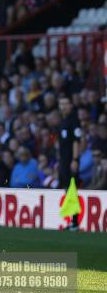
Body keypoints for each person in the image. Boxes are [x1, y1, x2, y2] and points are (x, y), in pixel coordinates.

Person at [58, 95, 82, 230]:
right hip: (64, 160)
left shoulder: (74, 121)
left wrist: (75, 159)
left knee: (72, 190)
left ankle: (75, 221)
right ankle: (72, 221)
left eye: (66, 103)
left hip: (70, 160)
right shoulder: (64, 121)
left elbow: (76, 141)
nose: (63, 106)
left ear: (71, 105)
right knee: (68, 190)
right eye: (61, 104)